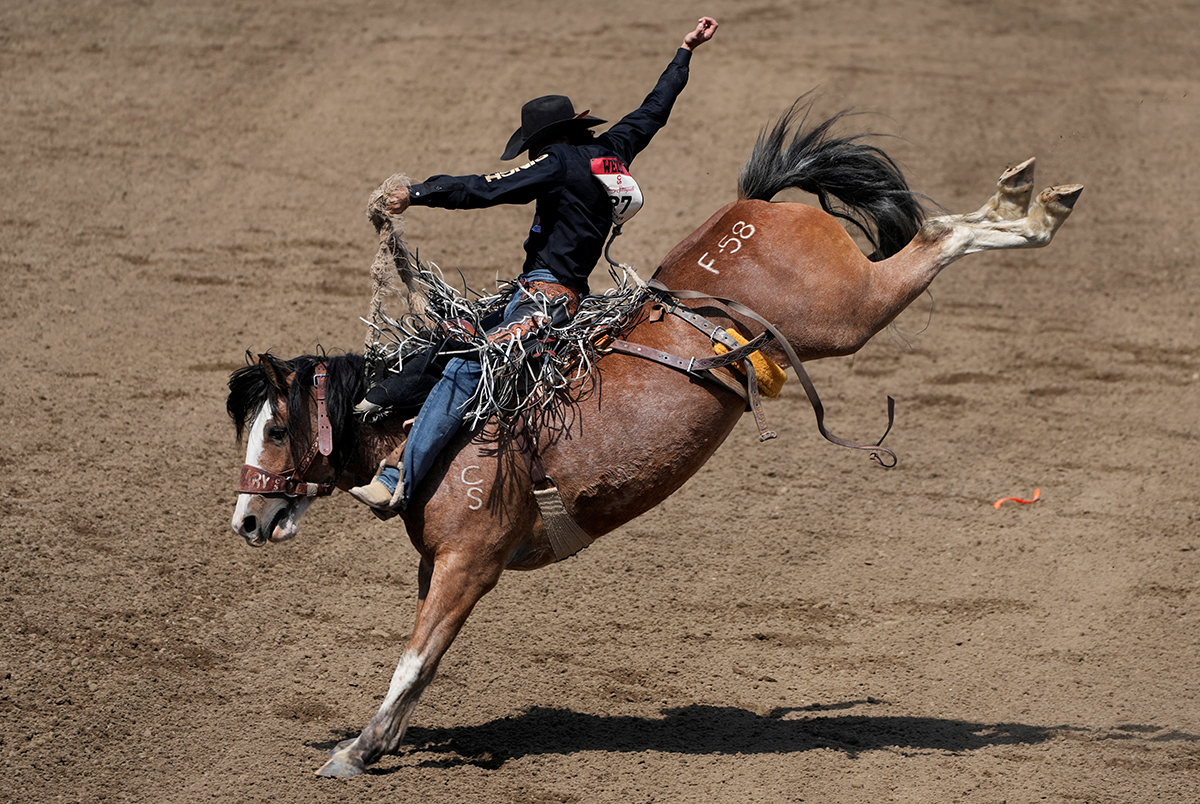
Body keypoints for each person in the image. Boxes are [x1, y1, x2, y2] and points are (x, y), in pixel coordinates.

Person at [350, 16, 720, 512]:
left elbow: (484, 188)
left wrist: (417, 192)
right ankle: (384, 395)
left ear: (541, 142)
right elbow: (654, 110)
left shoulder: (554, 165)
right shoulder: (611, 152)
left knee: (465, 366)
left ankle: (398, 475)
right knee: (456, 333)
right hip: (570, 297)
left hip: (541, 299)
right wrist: (684, 52)